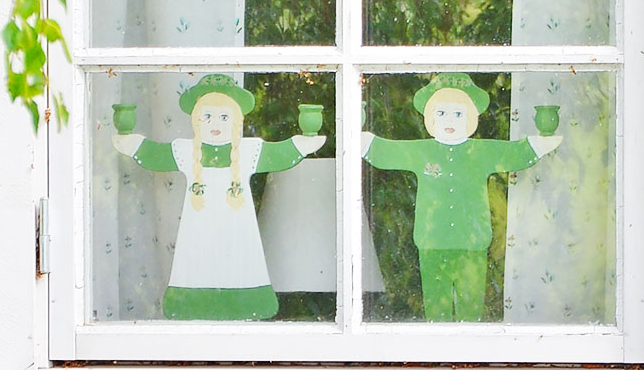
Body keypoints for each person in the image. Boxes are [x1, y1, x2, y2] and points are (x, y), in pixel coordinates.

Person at [114, 75, 326, 318]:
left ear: (236, 121)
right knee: (198, 260)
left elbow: (280, 153)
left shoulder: (249, 151)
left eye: (224, 117)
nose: (215, 124)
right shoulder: (186, 151)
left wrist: (306, 141)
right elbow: (155, 154)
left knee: (238, 258)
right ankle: (188, 302)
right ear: (196, 120)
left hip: (236, 226)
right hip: (199, 226)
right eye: (207, 116)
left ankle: (250, 299)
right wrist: (129, 141)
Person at [362, 73, 562, 320]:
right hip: (431, 241)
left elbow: (513, 153)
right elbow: (388, 152)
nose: (449, 121)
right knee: (436, 306)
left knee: (471, 306)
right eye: (441, 113)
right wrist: (362, 140)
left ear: (471, 117)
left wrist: (541, 142)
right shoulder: (422, 151)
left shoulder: (480, 151)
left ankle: (470, 344)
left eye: (458, 114)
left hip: (472, 243)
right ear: (430, 117)